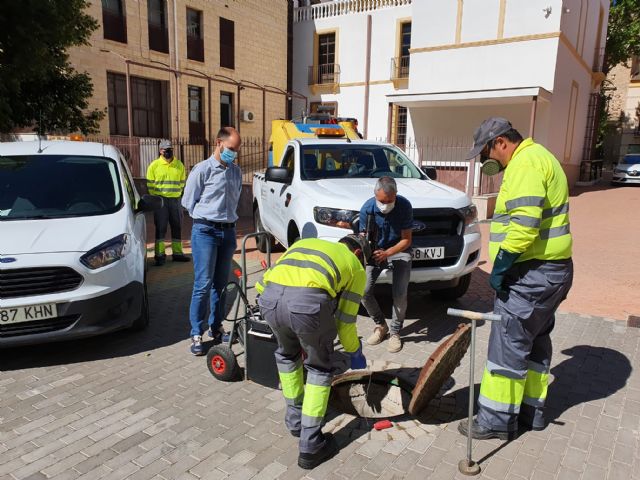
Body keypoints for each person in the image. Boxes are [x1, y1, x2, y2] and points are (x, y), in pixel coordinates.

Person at [458, 117, 573, 440]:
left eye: (486, 153)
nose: (487, 161)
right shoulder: (541, 157)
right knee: (535, 341)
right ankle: (531, 412)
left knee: (507, 345)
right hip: (552, 272)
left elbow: (524, 226)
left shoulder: (524, 164)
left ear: (501, 142)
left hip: (531, 274)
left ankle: (495, 420)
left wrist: (501, 267)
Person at [255, 235, 370, 470]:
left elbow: (263, 283)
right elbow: (345, 322)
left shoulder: (304, 244)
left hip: (269, 300)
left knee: (287, 357)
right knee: (319, 368)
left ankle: (295, 421)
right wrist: (355, 352)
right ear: (359, 254)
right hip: (306, 308)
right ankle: (311, 445)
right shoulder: (355, 266)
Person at [182, 127, 242, 356]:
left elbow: (235, 201)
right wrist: (207, 219)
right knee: (203, 284)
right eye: (231, 148)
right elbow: (188, 202)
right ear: (219, 143)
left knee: (221, 284)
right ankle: (196, 333)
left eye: (236, 150)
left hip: (228, 233)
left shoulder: (236, 172)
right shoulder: (202, 170)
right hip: (205, 231)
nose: (234, 153)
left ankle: (216, 328)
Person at [360, 176, 413, 353]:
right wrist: (369, 251)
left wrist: (388, 253)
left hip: (400, 251)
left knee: (400, 294)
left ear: (396, 195)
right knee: (364, 291)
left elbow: (406, 240)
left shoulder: (404, 206)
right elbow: (363, 239)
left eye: (390, 201)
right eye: (382, 201)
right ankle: (381, 326)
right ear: (375, 195)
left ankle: (395, 332)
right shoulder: (367, 208)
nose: (385, 205)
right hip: (376, 253)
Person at [146, 139, 189, 266]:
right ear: (160, 151)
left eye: (170, 149)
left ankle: (177, 254)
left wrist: (178, 194)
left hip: (175, 201)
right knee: (161, 228)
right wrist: (156, 198)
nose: (169, 152)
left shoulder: (179, 165)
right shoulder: (154, 166)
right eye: (166, 150)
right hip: (161, 202)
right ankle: (159, 256)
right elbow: (150, 184)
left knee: (177, 226)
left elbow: (182, 182)